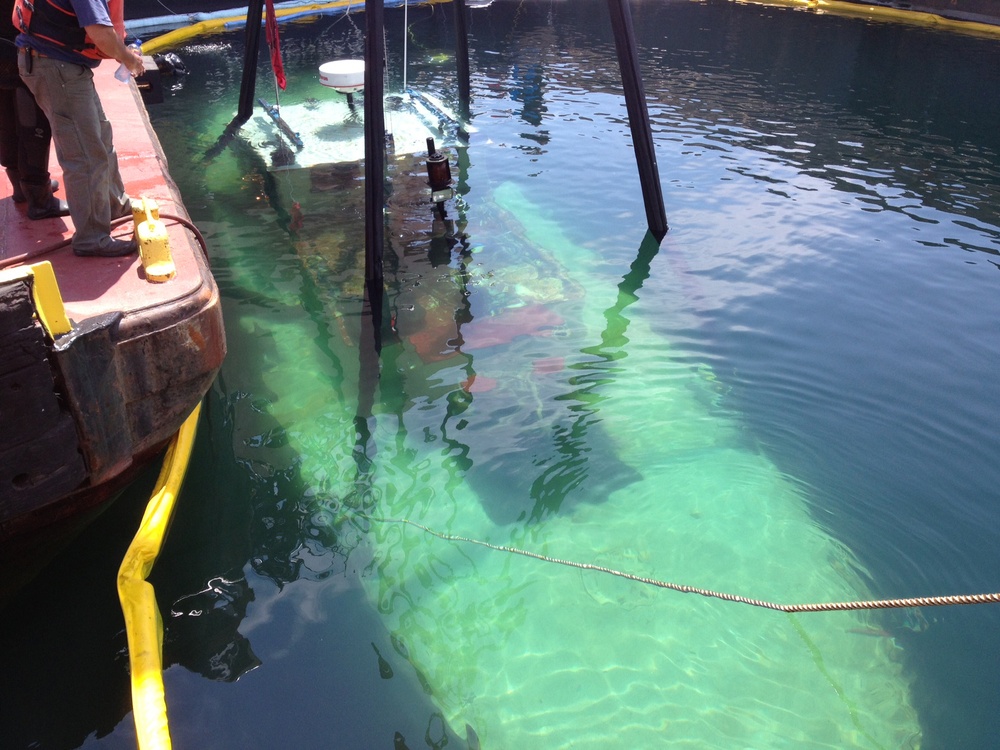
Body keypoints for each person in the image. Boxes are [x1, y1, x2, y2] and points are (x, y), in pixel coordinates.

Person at [13, 0, 143, 256]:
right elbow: (100, 34)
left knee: (101, 135)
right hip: (57, 69)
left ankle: (114, 204)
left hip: (61, 66)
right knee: (84, 155)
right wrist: (130, 60)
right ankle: (91, 238)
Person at [0, 0, 68, 219]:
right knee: (33, 121)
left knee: (6, 116)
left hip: (7, 47)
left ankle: (23, 187)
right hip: (18, 49)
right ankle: (39, 199)